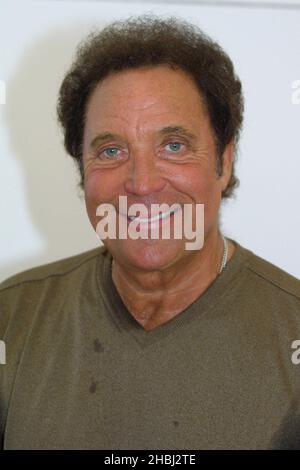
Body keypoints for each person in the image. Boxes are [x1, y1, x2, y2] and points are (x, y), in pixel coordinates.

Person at [1, 14, 300, 450]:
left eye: (173, 145)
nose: (142, 183)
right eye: (111, 150)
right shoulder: (12, 320)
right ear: (83, 172)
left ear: (225, 162)